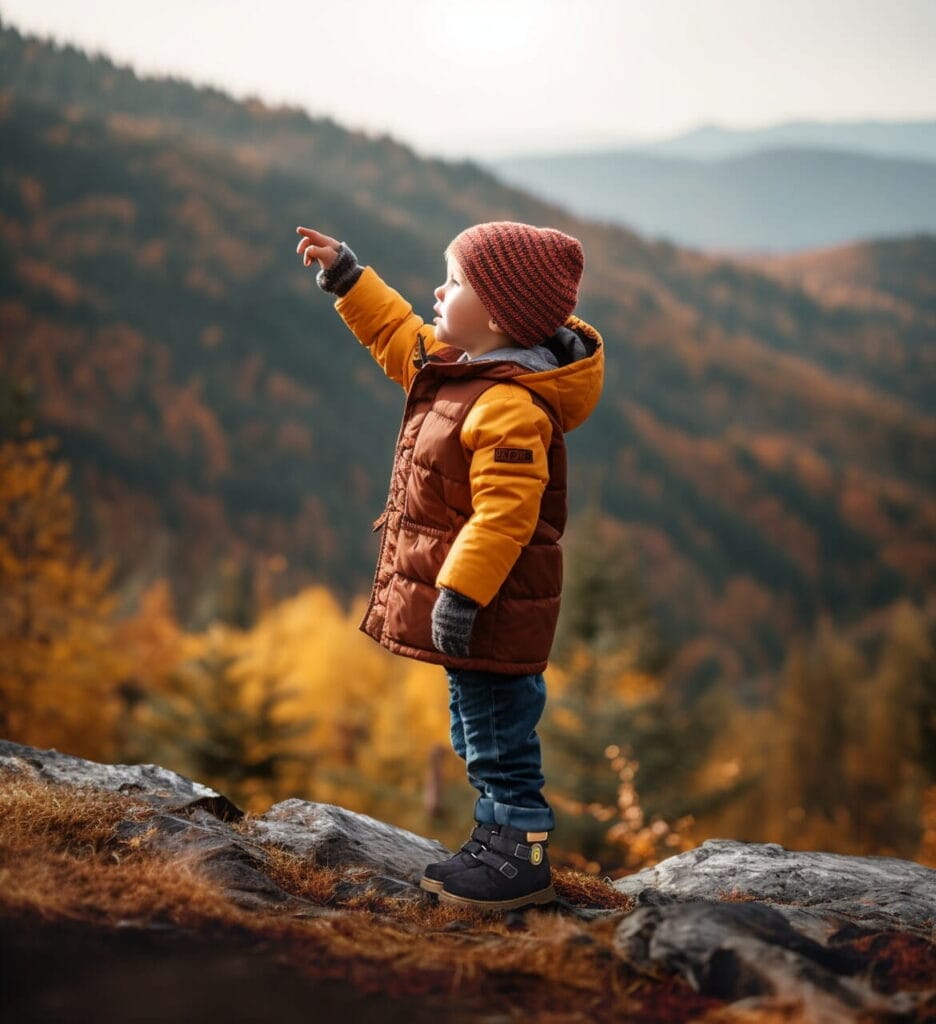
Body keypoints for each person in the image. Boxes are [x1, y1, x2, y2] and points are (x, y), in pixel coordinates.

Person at [296, 220, 604, 911]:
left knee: (498, 737)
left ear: (496, 315)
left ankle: (518, 859)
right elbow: (395, 334)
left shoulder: (510, 406)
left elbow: (505, 515)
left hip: (494, 607)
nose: (438, 290)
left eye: (455, 281)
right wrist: (349, 277)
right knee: (477, 732)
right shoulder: (457, 366)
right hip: (478, 606)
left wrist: (460, 593)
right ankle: (494, 845)